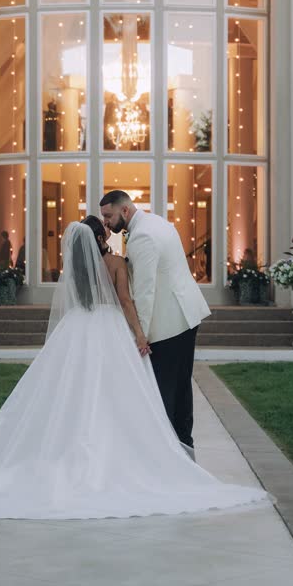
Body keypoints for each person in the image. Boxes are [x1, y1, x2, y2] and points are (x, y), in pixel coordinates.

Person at [0, 221, 271, 520]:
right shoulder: (115, 262)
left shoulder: (76, 269)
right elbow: (126, 300)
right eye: (106, 233)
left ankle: (69, 449)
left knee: (74, 389)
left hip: (78, 328)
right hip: (111, 327)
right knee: (118, 393)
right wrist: (140, 334)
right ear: (100, 238)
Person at [100, 190, 211, 459]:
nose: (106, 223)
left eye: (109, 216)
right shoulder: (157, 221)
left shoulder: (142, 237)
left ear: (125, 211)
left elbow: (145, 291)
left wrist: (141, 335)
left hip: (169, 322)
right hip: (184, 315)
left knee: (164, 393)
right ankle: (184, 449)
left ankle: (171, 456)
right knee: (181, 387)